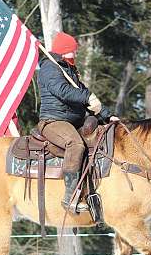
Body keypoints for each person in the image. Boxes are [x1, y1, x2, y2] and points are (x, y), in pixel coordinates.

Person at [37, 32, 119, 213]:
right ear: (65, 51)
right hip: (54, 121)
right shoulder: (49, 68)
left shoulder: (69, 70)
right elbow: (63, 91)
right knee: (75, 143)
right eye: (73, 51)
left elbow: (83, 92)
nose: (75, 55)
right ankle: (70, 196)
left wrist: (106, 115)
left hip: (73, 120)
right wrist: (87, 96)